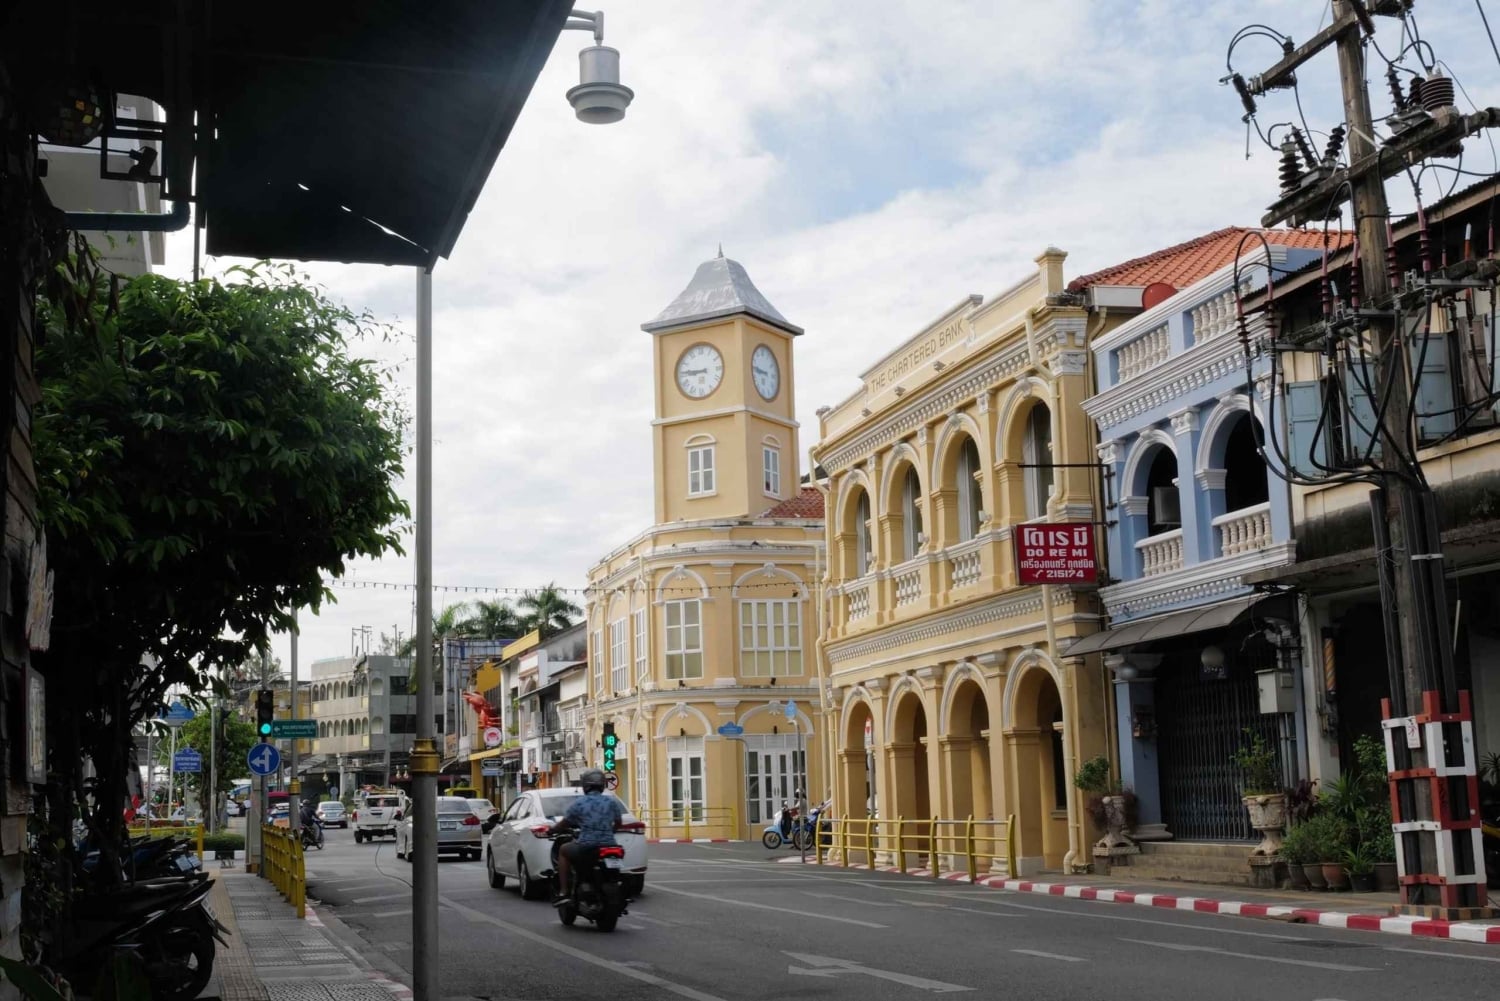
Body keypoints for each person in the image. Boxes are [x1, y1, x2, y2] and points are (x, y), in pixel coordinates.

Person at [547, 769, 625, 905]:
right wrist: (608, 833)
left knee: (564, 850)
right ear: (602, 785)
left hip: (587, 846)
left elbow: (565, 823)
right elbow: (618, 823)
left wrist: (552, 831)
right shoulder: (611, 802)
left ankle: (564, 891)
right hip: (610, 845)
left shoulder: (580, 803)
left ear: (585, 785)